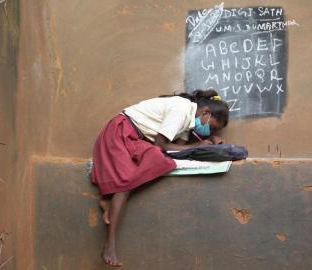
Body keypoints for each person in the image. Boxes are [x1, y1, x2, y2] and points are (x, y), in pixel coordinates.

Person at [91, 89, 229, 267]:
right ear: (206, 113)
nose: (209, 130)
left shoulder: (188, 123)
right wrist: (201, 145)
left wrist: (209, 143)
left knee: (161, 161)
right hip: (120, 132)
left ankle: (109, 200)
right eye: (212, 126)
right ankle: (109, 244)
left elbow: (175, 151)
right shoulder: (181, 109)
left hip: (136, 139)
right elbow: (162, 145)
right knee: (126, 183)